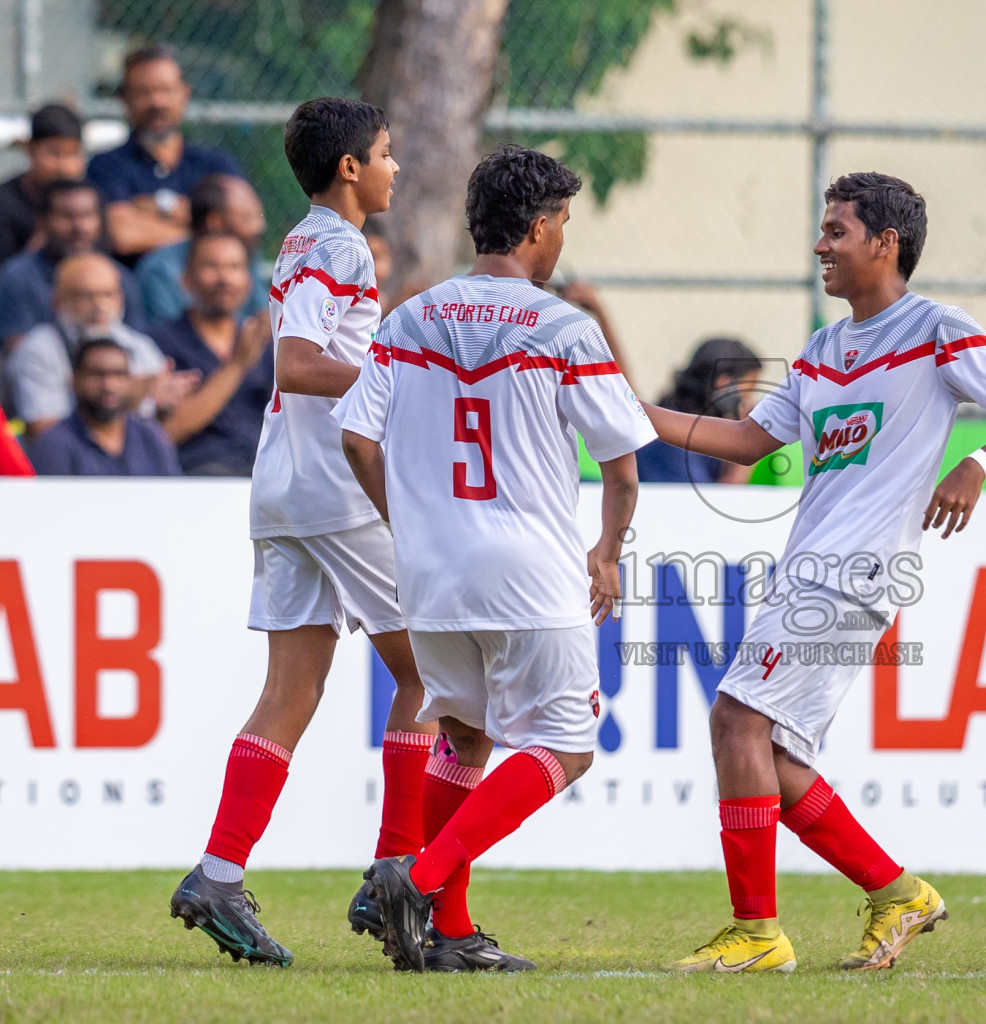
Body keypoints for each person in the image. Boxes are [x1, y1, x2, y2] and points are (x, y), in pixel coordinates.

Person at [644, 172, 986, 973]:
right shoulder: (824, 349)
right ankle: (896, 892)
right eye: (823, 230)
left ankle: (757, 933)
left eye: (836, 231)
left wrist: (975, 464)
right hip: (811, 568)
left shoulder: (936, 328)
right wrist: (631, 412)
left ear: (885, 243)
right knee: (774, 755)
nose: (819, 245)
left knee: (736, 720)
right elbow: (748, 442)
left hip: (854, 572)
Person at [345, 143, 654, 974]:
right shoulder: (562, 326)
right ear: (540, 226)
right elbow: (622, 466)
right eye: (562, 224)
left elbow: (354, 433)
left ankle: (447, 932)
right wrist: (608, 550)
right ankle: (419, 875)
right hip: (528, 572)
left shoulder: (411, 314)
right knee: (570, 745)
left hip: (433, 574)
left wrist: (405, 522)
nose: (561, 241)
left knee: (466, 738)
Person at [167, 97, 432, 968]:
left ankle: (217, 874)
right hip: (333, 488)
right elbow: (298, 360)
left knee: (292, 691)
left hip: (281, 484)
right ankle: (397, 869)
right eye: (387, 154)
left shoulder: (301, 239)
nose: (396, 167)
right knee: (429, 668)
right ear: (350, 167)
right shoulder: (339, 243)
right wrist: (404, 374)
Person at [87, 44, 243, 262]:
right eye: (143, 92)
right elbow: (123, 235)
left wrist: (153, 210)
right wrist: (201, 231)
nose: (156, 102)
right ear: (124, 99)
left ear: (184, 94)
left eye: (165, 90)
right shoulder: (106, 166)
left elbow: (239, 227)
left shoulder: (216, 165)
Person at [6, 252, 178, 436]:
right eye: (86, 296)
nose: (100, 306)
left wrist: (166, 407)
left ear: (121, 298)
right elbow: (45, 433)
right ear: (58, 301)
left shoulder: (139, 345)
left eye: (108, 295)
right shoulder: (38, 350)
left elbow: (164, 426)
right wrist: (127, 399)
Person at [152, 232, 274, 475]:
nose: (224, 278)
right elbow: (167, 434)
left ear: (249, 281)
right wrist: (237, 365)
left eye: (234, 267)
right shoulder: (160, 343)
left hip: (266, 474)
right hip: (199, 477)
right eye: (211, 266)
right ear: (186, 280)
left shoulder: (267, 341)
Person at [0, 179, 148, 346]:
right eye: (66, 216)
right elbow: (15, 350)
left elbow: (136, 344)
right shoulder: (17, 278)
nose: (79, 227)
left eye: (87, 215)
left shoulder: (119, 276)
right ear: (41, 221)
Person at [29, 338, 180, 476]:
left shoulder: (150, 435)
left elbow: (172, 498)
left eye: (119, 374)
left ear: (131, 381)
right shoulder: (56, 443)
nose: (109, 385)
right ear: (75, 381)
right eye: (97, 374)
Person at [137, 174, 268, 322]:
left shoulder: (248, 257)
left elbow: (263, 318)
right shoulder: (161, 270)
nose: (260, 227)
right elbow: (168, 338)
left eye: (233, 267)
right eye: (248, 218)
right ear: (215, 222)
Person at [635, 338, 762, 484]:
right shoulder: (674, 437)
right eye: (748, 391)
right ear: (723, 383)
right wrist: (749, 443)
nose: (750, 402)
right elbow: (711, 503)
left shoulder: (698, 428)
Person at [0, 103, 85, 263]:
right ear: (30, 149)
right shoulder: (5, 203)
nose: (64, 167)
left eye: (73, 153)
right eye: (54, 153)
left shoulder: (87, 197)